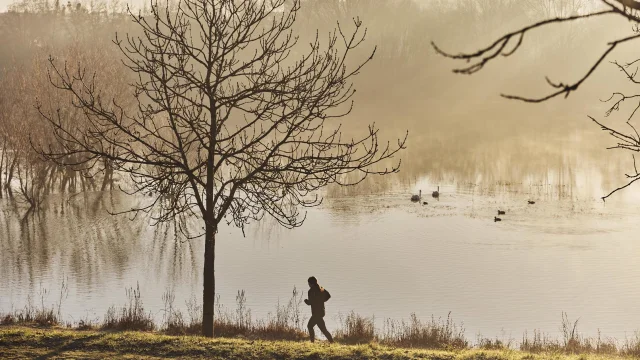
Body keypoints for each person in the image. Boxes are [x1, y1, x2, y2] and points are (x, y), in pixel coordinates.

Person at [304, 276, 334, 343]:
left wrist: (306, 301)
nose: (308, 285)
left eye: (308, 283)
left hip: (316, 313)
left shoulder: (311, 291)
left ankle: (312, 342)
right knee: (323, 329)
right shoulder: (321, 288)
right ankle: (332, 342)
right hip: (321, 312)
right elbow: (328, 296)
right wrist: (322, 300)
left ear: (311, 283)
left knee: (310, 326)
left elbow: (311, 302)